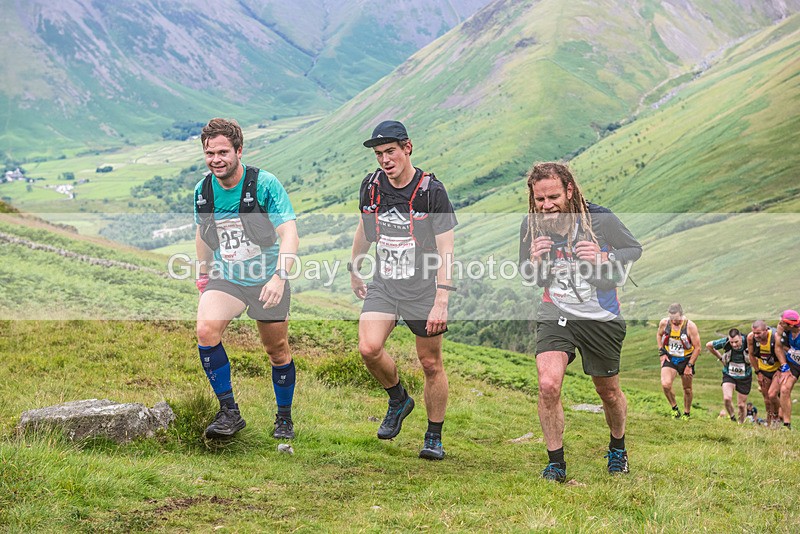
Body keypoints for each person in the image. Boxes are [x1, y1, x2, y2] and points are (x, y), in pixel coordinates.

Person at [518, 161, 641, 482]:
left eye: (553, 197)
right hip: (555, 312)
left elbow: (634, 248)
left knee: (608, 392)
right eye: (540, 199)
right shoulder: (532, 225)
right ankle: (555, 462)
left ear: (569, 190)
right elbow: (528, 275)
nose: (546, 206)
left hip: (600, 317)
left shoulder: (600, 218)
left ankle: (617, 448)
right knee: (547, 385)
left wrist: (605, 257)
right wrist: (534, 261)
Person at [349, 120, 457, 460]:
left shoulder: (430, 192)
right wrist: (355, 266)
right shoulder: (371, 187)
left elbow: (446, 250)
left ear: (407, 148)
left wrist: (442, 299)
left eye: (390, 152)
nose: (384, 160)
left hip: (424, 290)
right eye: (379, 154)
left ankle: (433, 436)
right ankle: (398, 399)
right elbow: (365, 230)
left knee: (429, 362)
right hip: (385, 284)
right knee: (368, 348)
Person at [193, 118, 299, 440]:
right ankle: (229, 412)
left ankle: (284, 418)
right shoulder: (203, 190)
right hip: (228, 278)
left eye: (223, 152)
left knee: (276, 350)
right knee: (205, 330)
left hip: (268, 279)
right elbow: (203, 231)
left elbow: (289, 233)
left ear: (239, 150)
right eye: (210, 153)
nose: (216, 159)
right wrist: (202, 274)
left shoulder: (264, 184)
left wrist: (280, 277)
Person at [657, 303, 701, 419]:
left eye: (676, 319)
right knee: (665, 384)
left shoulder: (690, 326)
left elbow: (697, 348)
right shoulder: (664, 323)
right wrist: (661, 353)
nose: (674, 321)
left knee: (687, 389)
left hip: (686, 360)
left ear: (681, 315)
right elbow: (659, 335)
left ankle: (686, 413)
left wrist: (690, 365)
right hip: (670, 357)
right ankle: (674, 408)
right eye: (671, 318)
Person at [707, 328, 752, 423]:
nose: (734, 345)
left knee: (741, 405)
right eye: (732, 342)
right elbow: (709, 345)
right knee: (727, 398)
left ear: (741, 338)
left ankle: (741, 424)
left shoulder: (749, 342)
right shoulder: (726, 342)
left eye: (736, 342)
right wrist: (720, 358)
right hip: (729, 374)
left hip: (745, 377)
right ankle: (732, 418)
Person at [747, 320, 781, 426]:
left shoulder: (775, 337)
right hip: (763, 370)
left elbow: (785, 355)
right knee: (767, 400)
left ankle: (777, 417)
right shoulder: (751, 338)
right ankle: (770, 421)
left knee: (772, 395)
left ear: (766, 330)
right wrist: (758, 372)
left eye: (759, 333)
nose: (756, 335)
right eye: (754, 333)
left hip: (777, 370)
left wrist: (781, 370)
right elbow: (751, 355)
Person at [776, 309, 800, 429]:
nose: (779, 324)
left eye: (782, 323)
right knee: (784, 389)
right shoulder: (782, 329)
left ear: (791, 325)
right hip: (793, 363)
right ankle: (787, 424)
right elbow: (778, 347)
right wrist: (784, 366)